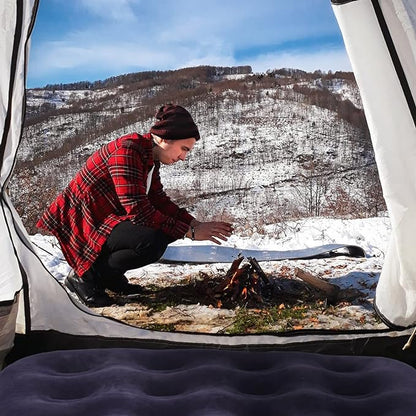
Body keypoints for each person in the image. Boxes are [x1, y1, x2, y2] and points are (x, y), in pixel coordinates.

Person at [37, 104, 233, 307]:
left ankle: (108, 277)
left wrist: (194, 223)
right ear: (165, 138)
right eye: (184, 149)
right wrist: (189, 232)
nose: (183, 157)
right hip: (83, 221)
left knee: (164, 232)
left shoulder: (149, 156)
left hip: (105, 220)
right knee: (151, 241)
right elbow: (139, 212)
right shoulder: (128, 151)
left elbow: (158, 200)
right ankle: (85, 276)